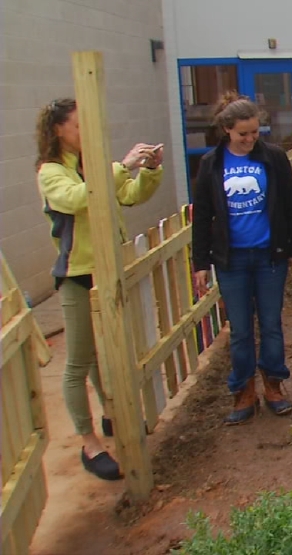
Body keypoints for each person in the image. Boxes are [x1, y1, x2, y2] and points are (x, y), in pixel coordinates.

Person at [36, 98, 165, 480]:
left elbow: (128, 194)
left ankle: (112, 415)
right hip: (78, 273)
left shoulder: (92, 166)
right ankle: (87, 441)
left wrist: (149, 171)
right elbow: (78, 199)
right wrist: (122, 166)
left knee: (106, 354)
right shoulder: (50, 172)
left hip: (109, 270)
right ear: (57, 130)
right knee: (79, 359)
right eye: (78, 126)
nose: (85, 134)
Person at [191, 92, 292, 425]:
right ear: (227, 129)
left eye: (255, 132)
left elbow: (291, 207)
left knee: (271, 325)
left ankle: (273, 385)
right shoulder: (211, 164)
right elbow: (201, 217)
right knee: (241, 329)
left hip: (269, 257)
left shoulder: (273, 159)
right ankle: (243, 390)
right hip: (232, 261)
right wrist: (199, 262)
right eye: (243, 133)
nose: (250, 139)